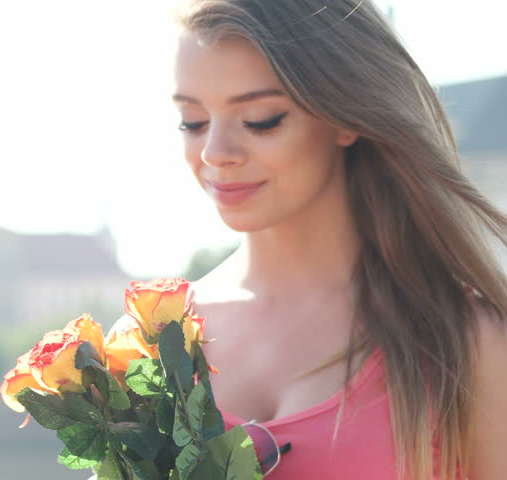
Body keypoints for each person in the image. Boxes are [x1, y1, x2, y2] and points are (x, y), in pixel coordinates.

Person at [110, 1, 507, 478]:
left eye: (260, 119)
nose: (215, 152)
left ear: (344, 116)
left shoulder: (467, 343)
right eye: (192, 121)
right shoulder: (145, 344)